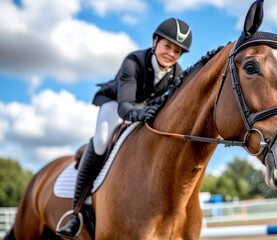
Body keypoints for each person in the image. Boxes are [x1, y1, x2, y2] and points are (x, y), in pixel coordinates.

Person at [56, 18, 192, 238]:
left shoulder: (177, 75)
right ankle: (76, 212)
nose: (171, 54)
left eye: (177, 51)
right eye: (167, 46)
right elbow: (124, 106)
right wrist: (138, 114)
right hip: (116, 102)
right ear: (155, 41)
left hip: (144, 111)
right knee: (101, 140)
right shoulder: (134, 62)